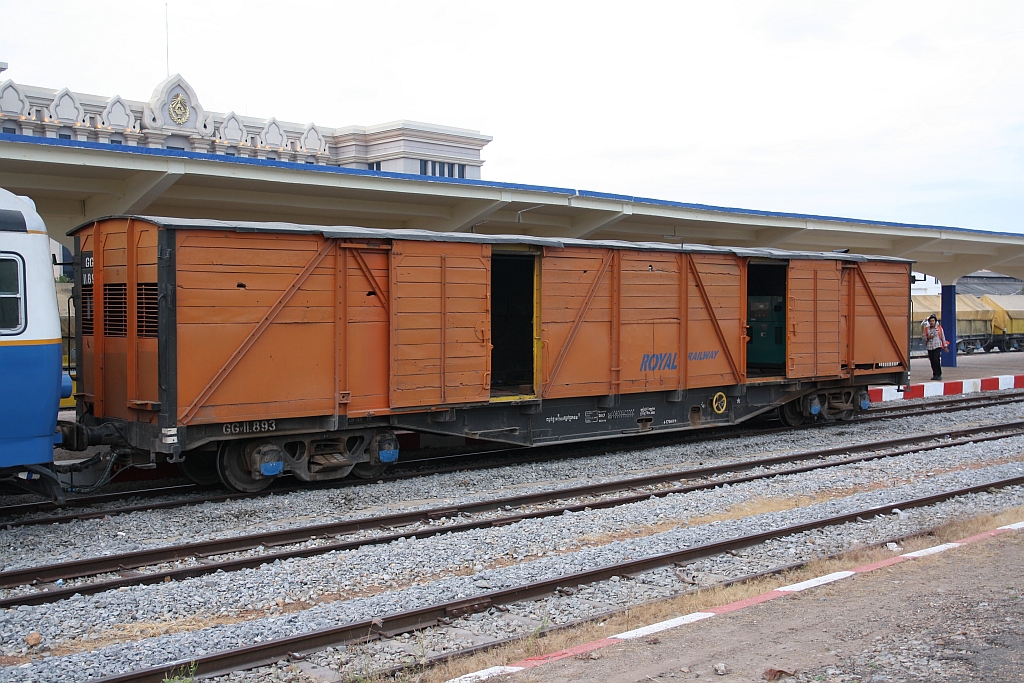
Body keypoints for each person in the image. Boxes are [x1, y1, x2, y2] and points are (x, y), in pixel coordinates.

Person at [922, 314, 949, 381]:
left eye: (933, 321)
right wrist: (928, 337)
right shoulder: (926, 329)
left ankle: (939, 374)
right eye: (930, 321)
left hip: (937, 346)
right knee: (932, 360)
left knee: (936, 359)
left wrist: (945, 346)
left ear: (935, 322)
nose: (931, 322)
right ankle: (935, 374)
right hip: (930, 346)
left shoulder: (939, 328)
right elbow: (923, 337)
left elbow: (943, 337)